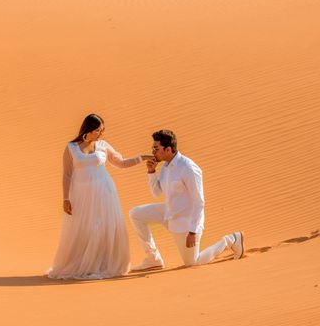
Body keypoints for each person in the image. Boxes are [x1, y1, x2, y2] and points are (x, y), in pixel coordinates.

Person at [47, 114, 145, 280]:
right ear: (88, 130)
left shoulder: (103, 145)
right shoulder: (71, 147)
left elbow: (121, 163)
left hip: (104, 192)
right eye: (97, 130)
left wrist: (142, 158)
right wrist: (65, 198)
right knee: (83, 227)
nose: (100, 133)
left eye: (102, 130)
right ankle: (83, 264)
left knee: (102, 226)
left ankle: (102, 264)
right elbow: (67, 175)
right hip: (81, 194)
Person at [129, 129, 243, 271]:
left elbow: (198, 201)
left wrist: (193, 231)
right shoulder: (165, 167)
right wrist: (151, 172)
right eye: (153, 148)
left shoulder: (188, 168)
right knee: (135, 214)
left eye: (156, 148)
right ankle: (153, 259)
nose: (153, 152)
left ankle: (231, 240)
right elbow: (156, 193)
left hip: (185, 221)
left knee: (192, 262)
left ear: (168, 149)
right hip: (169, 213)